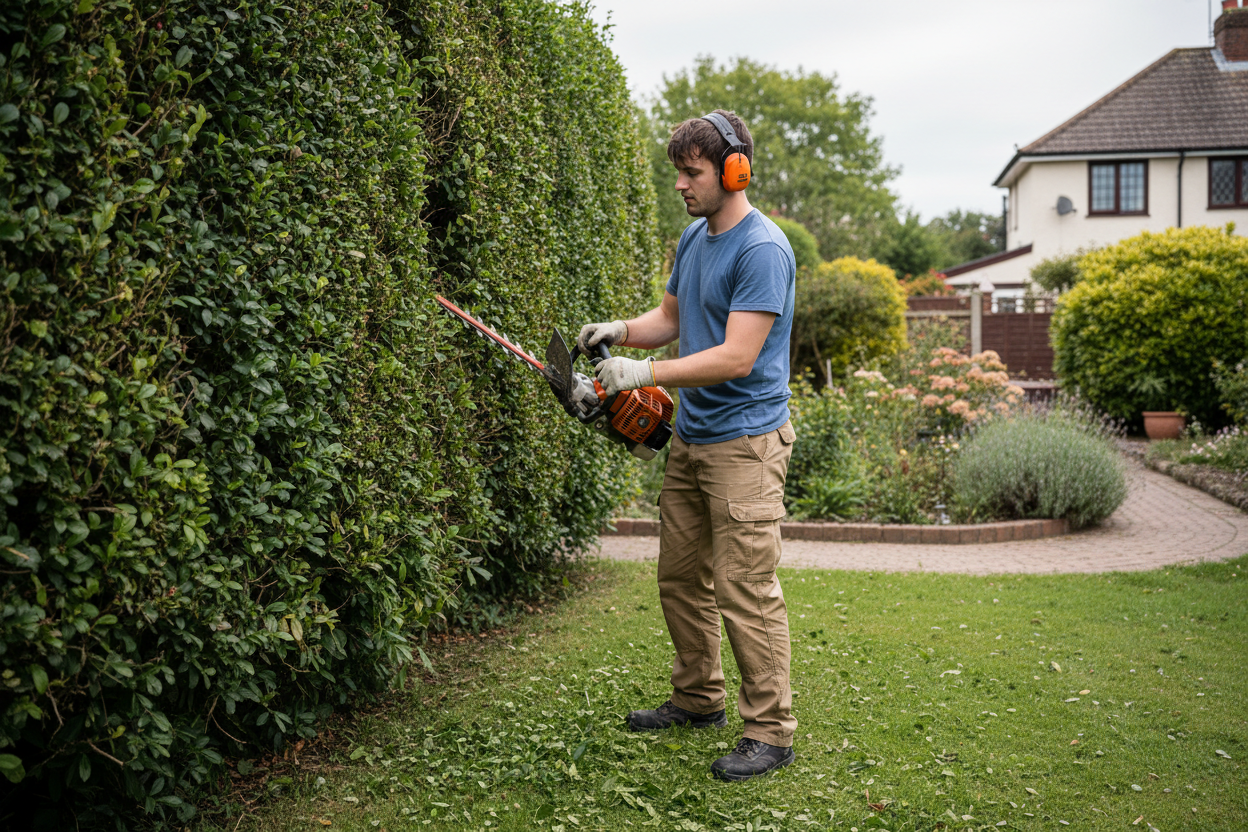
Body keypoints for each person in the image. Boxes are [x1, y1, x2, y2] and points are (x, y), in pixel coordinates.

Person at [579, 109, 798, 782]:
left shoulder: (762, 249)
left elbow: (735, 356)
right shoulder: (695, 238)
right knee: (680, 579)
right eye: (678, 172)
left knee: (746, 588)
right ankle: (699, 698)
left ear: (734, 172)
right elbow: (672, 319)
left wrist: (643, 373)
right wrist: (619, 330)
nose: (680, 184)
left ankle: (769, 732)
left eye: (691, 172)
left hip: (746, 447)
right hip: (695, 439)